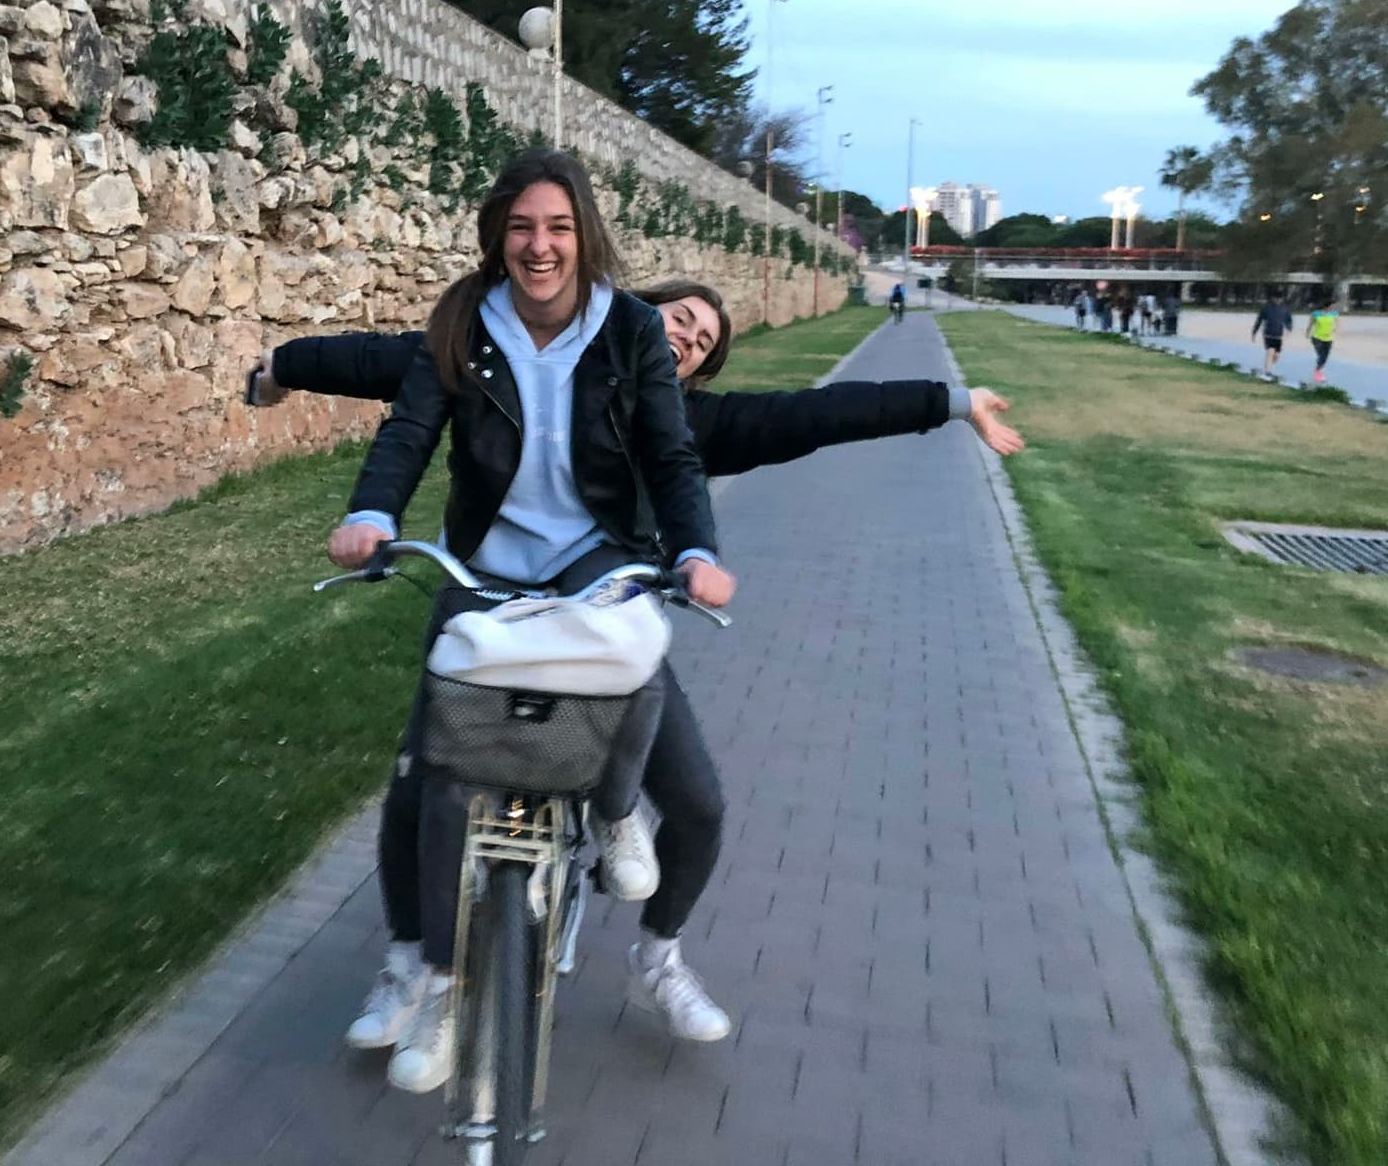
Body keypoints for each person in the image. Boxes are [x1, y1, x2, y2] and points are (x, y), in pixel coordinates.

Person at [253, 278, 1026, 1062]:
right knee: (416, 789)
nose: (686, 339)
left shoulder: (683, 424)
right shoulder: (515, 360)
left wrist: (954, 403)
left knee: (698, 806)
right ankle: (407, 966)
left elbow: (816, 415)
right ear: (636, 310)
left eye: (700, 345)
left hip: (601, 634)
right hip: (489, 612)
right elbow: (381, 361)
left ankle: (658, 958)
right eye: (679, 319)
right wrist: (282, 365)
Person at [321, 149, 734, 1093]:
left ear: (583, 233)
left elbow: (672, 457)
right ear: (497, 236)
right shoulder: (466, 321)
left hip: (596, 573)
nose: (539, 246)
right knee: (425, 782)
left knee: (699, 799)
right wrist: (374, 513)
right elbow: (409, 430)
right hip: (486, 573)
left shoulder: (630, 328)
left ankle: (629, 852)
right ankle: (424, 973)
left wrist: (696, 553)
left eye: (556, 227)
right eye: (520, 228)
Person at [1252, 289, 1292, 374]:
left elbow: (1289, 320)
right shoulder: (1266, 307)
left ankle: (1267, 367)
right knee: (1270, 352)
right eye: (1276, 298)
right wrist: (1254, 332)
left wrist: (1289, 329)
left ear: (1282, 299)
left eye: (1280, 298)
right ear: (1273, 298)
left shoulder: (1285, 308)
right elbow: (1259, 320)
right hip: (1268, 334)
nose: (1278, 300)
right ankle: (1268, 372)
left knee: (1276, 356)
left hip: (1279, 335)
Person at [1307, 299, 1339, 382]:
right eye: (1332, 305)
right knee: (1321, 355)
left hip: (1328, 339)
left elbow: (1337, 323)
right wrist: (1307, 333)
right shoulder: (1316, 313)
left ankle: (1318, 371)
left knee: (1325, 357)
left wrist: (1334, 329)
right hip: (1317, 338)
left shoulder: (1334, 314)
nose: (1334, 307)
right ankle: (1318, 373)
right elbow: (1310, 324)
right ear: (1327, 306)